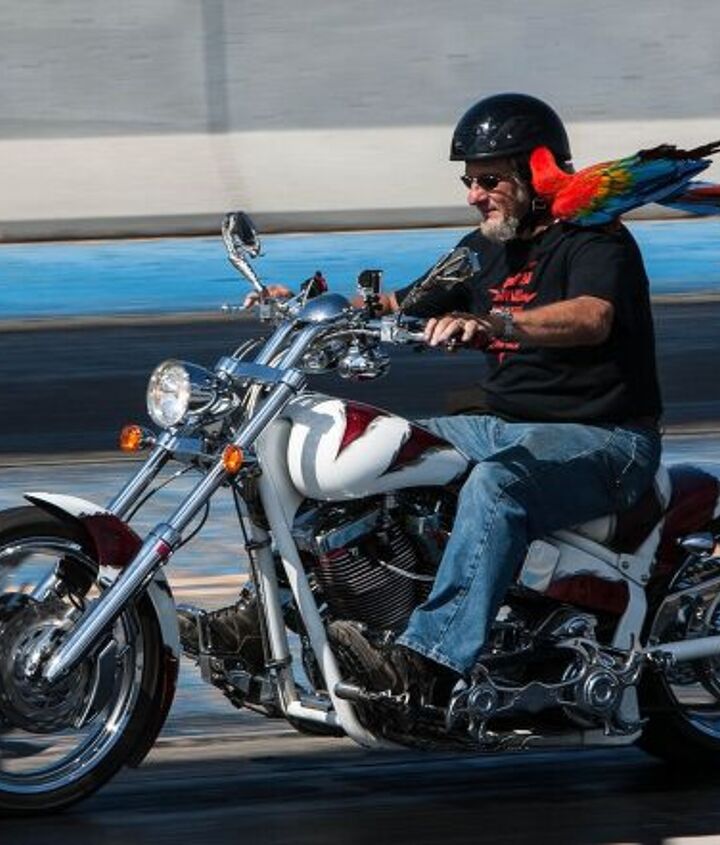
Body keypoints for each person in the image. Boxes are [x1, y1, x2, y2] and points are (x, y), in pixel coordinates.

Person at [182, 93, 663, 702]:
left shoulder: (594, 238)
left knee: (498, 487)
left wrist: (494, 324)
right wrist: (307, 309)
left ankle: (431, 663)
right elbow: (399, 304)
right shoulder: (482, 249)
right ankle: (270, 613)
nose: (474, 195)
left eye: (490, 180)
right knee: (384, 453)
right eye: (469, 182)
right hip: (498, 423)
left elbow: (592, 317)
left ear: (534, 173)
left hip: (604, 437)